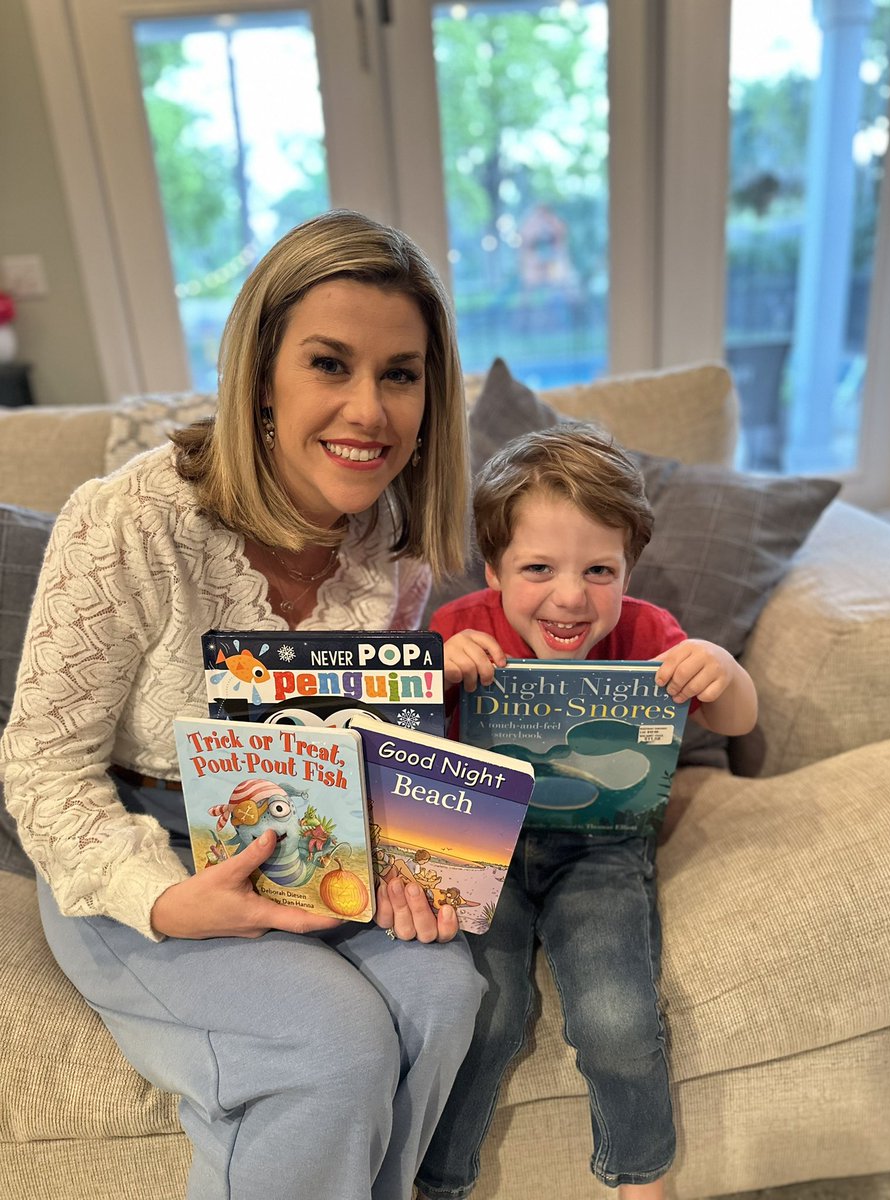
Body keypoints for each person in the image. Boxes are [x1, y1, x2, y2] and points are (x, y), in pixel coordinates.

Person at [0, 210, 487, 1200]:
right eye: (329, 364)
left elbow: (360, 745)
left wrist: (407, 858)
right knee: (332, 1046)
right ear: (262, 373)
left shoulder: (392, 541)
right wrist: (169, 901)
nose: (369, 411)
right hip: (135, 839)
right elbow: (42, 765)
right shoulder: (130, 521)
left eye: (400, 373)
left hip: (310, 833)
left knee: (445, 992)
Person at [416, 423, 758, 1200]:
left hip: (602, 846)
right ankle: (438, 1183)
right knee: (486, 1019)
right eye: (538, 568)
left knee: (617, 1020)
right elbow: (399, 744)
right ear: (495, 566)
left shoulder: (646, 634)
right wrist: (435, 673)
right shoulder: (456, 627)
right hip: (478, 842)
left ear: (627, 567)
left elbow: (735, 720)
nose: (571, 596)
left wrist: (722, 667)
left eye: (599, 569)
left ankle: (643, 1178)